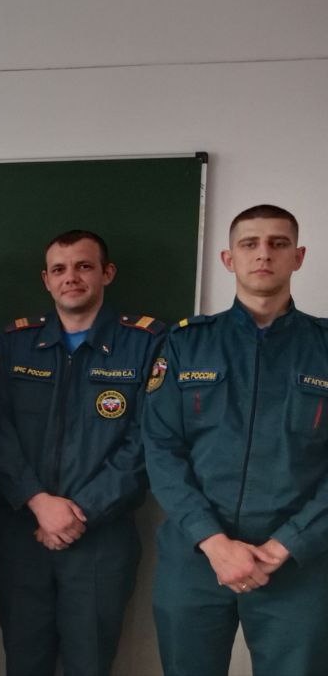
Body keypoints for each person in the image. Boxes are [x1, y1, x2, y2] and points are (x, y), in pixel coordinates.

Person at [144, 204, 328, 676]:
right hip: (196, 556)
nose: (263, 254)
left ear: (299, 257)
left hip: (299, 564)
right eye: (250, 244)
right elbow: (161, 449)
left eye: (278, 243)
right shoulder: (186, 344)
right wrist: (213, 542)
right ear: (229, 259)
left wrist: (287, 544)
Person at [0, 230, 164, 676]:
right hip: (21, 531)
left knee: (90, 664)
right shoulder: (15, 342)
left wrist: (80, 512)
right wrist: (37, 501)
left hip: (101, 537)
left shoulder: (146, 342)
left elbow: (148, 440)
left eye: (84, 266)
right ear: (46, 280)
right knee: (23, 662)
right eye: (60, 269)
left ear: (107, 273)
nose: (71, 277)